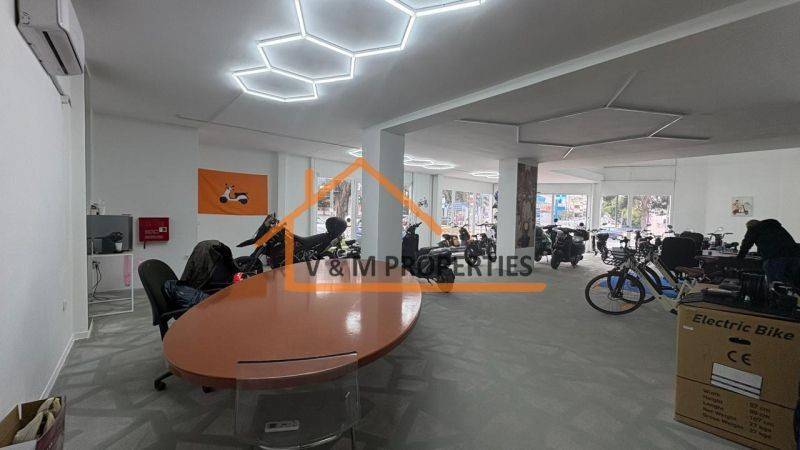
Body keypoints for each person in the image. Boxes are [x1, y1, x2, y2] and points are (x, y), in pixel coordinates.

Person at [737, 219, 800, 284]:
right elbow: (774, 242)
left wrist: (739, 258)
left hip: (775, 259)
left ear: (750, 227)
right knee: (793, 284)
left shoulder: (754, 228)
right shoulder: (776, 227)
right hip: (795, 257)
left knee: (776, 284)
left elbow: (746, 244)